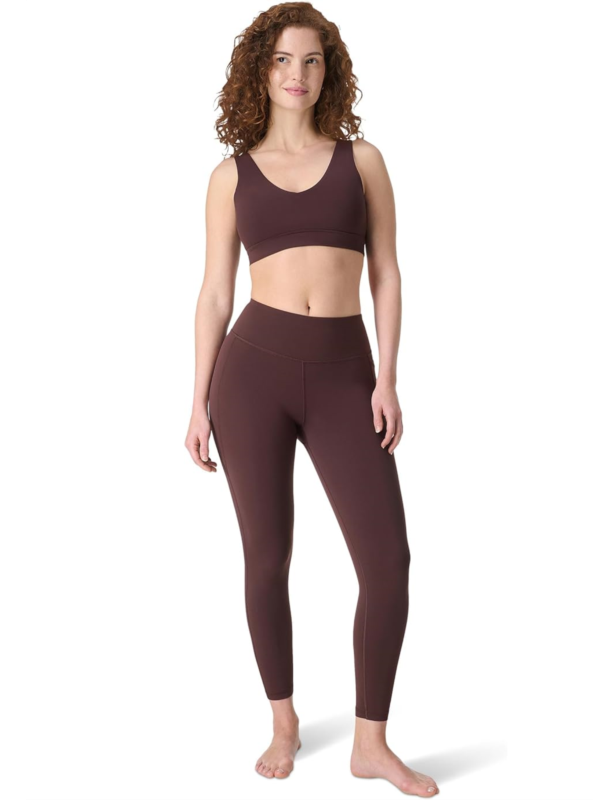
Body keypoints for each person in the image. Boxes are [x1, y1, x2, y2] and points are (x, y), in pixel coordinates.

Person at [184, 4, 438, 796]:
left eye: (313, 60)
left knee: (387, 561)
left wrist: (388, 377)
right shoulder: (230, 175)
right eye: (283, 60)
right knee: (267, 558)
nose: (297, 74)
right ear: (260, 70)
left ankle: (371, 743)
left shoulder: (362, 161)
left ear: (330, 72)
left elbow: (386, 272)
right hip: (250, 375)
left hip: (344, 374)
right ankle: (283, 720)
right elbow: (214, 293)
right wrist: (197, 400)